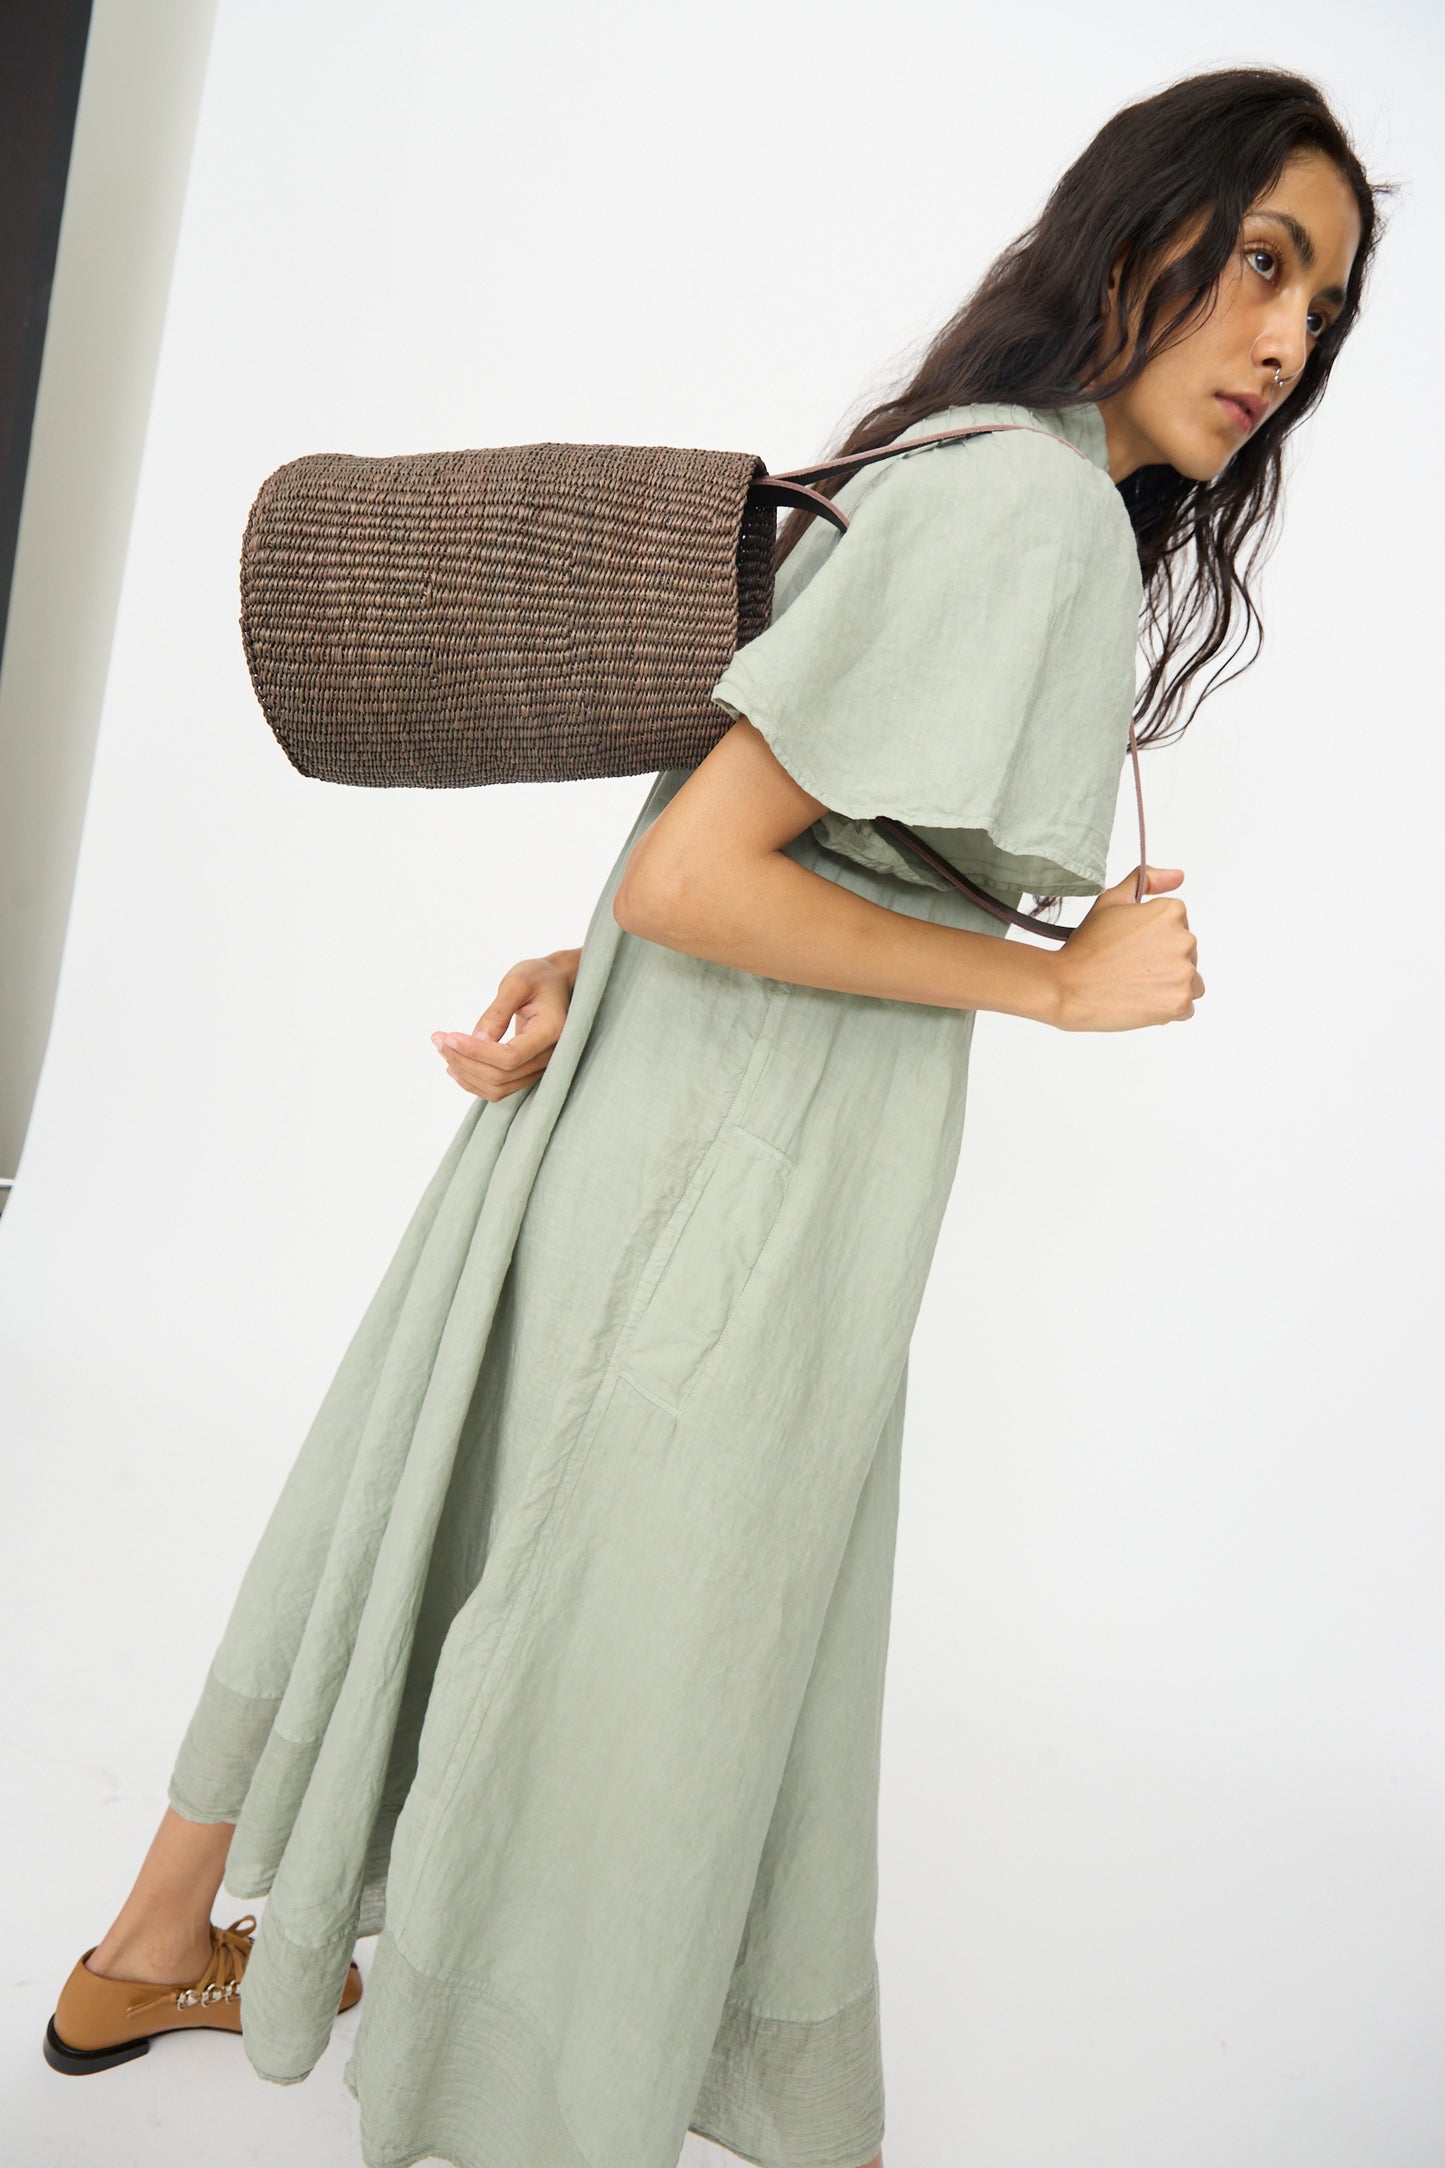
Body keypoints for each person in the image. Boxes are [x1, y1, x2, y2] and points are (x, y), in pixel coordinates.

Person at [44, 62, 1382, 2168]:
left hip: (677, 1109)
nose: (1290, 339)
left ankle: (149, 1945)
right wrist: (1050, 978)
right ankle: (505, 2110)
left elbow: (746, 820)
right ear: (1141, 235)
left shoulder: (979, 466)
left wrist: (601, 962)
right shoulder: (1027, 508)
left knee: (435, 1500)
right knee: (622, 1644)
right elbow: (707, 866)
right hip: (741, 1194)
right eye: (1265, 262)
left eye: (1327, 305)